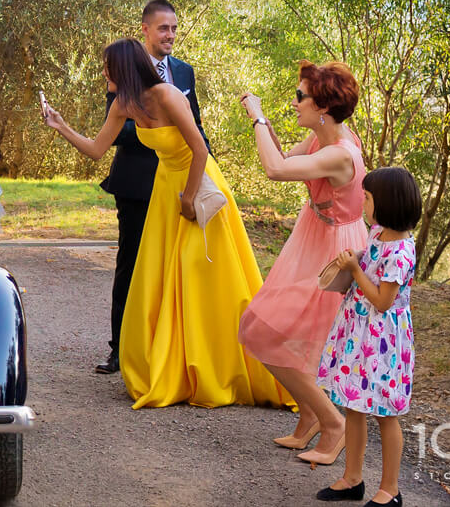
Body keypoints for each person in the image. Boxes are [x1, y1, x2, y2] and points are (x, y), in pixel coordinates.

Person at [45, 38, 289, 409]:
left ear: (123, 68)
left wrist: (189, 198)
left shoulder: (169, 95)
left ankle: (224, 367)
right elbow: (96, 150)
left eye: (107, 66)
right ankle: (176, 364)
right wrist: (60, 126)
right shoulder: (124, 104)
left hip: (197, 183)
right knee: (164, 279)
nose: (103, 72)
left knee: (204, 276)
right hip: (165, 189)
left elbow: (200, 148)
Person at [236, 61, 368, 466]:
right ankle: (310, 413)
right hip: (314, 234)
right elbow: (281, 155)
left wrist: (258, 116)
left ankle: (333, 423)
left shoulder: (339, 153)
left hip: (336, 248)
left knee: (267, 330)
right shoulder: (319, 139)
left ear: (323, 106)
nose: (294, 103)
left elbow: (275, 169)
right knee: (271, 328)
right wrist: (263, 122)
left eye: (300, 97)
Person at [93, 0, 208, 375]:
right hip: (138, 183)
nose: (170, 35)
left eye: (174, 28)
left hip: (182, 179)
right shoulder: (123, 66)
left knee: (181, 264)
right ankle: (121, 348)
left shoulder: (185, 74)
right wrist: (152, 126)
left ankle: (174, 347)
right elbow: (116, 131)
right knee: (132, 265)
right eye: (163, 28)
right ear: (145, 29)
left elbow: (197, 132)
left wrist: (203, 174)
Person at [317, 167, 420, 506]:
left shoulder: (401, 252)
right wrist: (359, 260)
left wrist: (355, 270)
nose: (363, 202)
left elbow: (382, 301)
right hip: (359, 332)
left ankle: (390, 489)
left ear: (387, 203)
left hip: (384, 341)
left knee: (385, 414)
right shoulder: (378, 234)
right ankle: (352, 478)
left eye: (369, 197)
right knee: (354, 406)